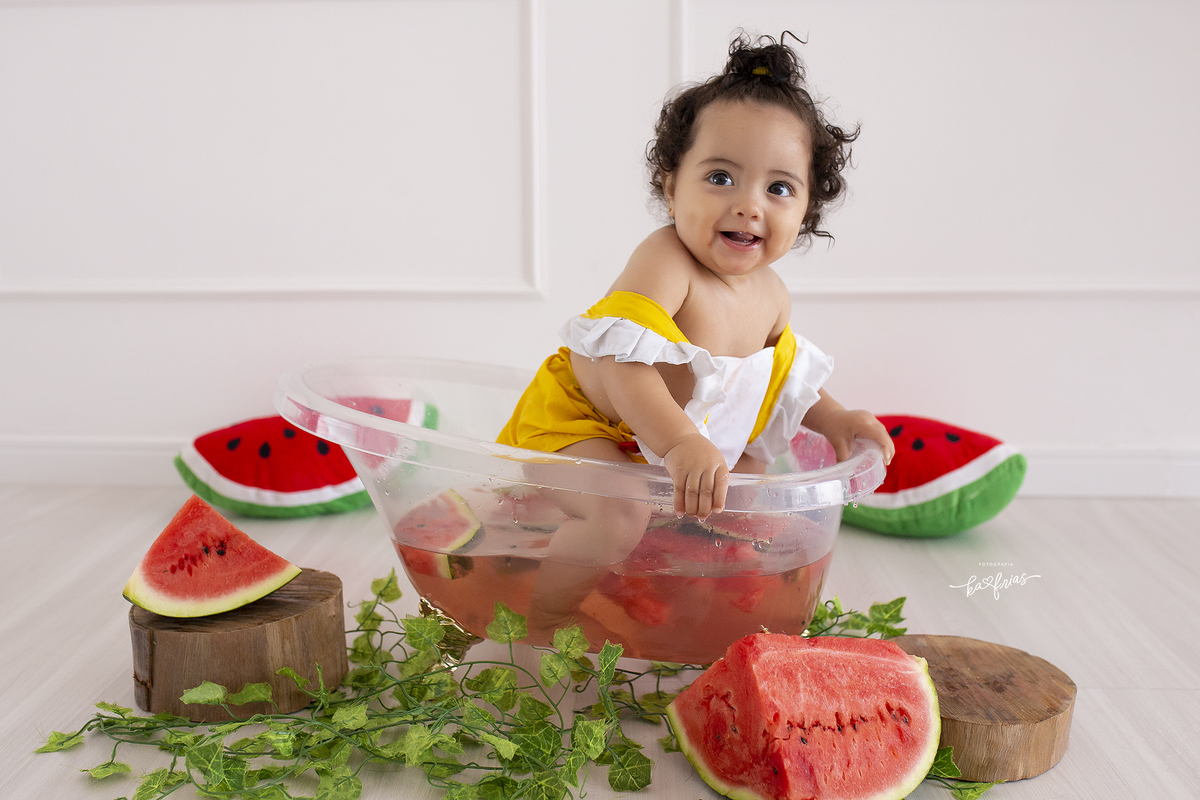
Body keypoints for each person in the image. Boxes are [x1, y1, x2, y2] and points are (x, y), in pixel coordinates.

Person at [498, 32, 895, 636]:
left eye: (779, 188)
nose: (748, 205)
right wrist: (682, 443)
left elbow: (784, 379)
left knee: (756, 503)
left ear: (807, 210)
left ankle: (674, 613)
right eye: (720, 178)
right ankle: (542, 621)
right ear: (669, 185)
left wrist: (838, 421)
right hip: (578, 430)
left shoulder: (771, 295)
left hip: (663, 448)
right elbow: (621, 369)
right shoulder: (666, 262)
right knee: (620, 514)